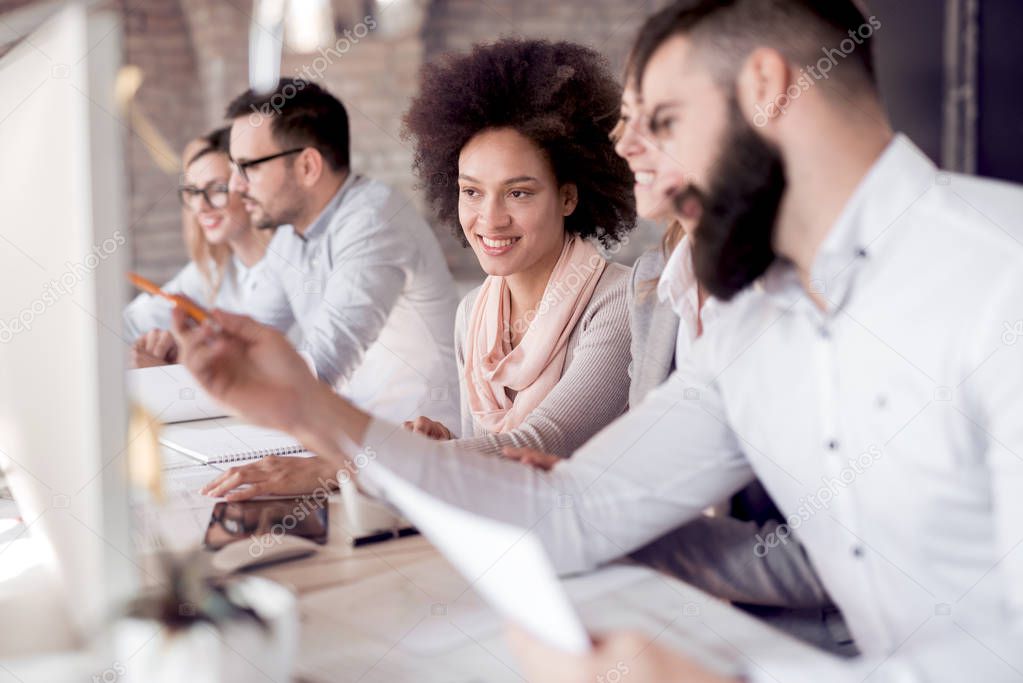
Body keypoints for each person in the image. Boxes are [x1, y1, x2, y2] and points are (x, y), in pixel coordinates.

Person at [170, 0, 1023, 679]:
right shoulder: (750, 316)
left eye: (660, 121)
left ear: (767, 86)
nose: (636, 159)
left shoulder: (999, 276)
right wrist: (312, 409)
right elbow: (570, 512)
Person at [506, 45, 850, 653]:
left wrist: (616, 524)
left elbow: (838, 562)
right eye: (625, 119)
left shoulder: (803, 293)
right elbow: (653, 461)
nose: (624, 145)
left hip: (802, 643)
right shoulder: (654, 282)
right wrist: (589, 494)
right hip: (678, 610)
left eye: (661, 121)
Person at [197, 39, 638, 501]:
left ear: (569, 197)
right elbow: (490, 466)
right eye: (471, 192)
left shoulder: (617, 302)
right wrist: (444, 445)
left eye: (519, 193)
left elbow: (537, 445)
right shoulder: (475, 313)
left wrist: (342, 467)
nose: (489, 219)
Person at [224, 78, 461, 427]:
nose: (234, 186)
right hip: (357, 442)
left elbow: (323, 366)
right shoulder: (289, 237)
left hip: (426, 450)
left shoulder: (375, 220)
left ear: (307, 167)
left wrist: (216, 373)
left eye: (249, 167)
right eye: (233, 168)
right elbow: (245, 341)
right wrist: (185, 355)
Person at [124, 126, 277, 368]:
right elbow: (129, 325)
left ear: (247, 186)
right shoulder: (213, 271)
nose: (201, 207)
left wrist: (176, 369)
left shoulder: (291, 266)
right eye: (193, 192)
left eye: (217, 189)